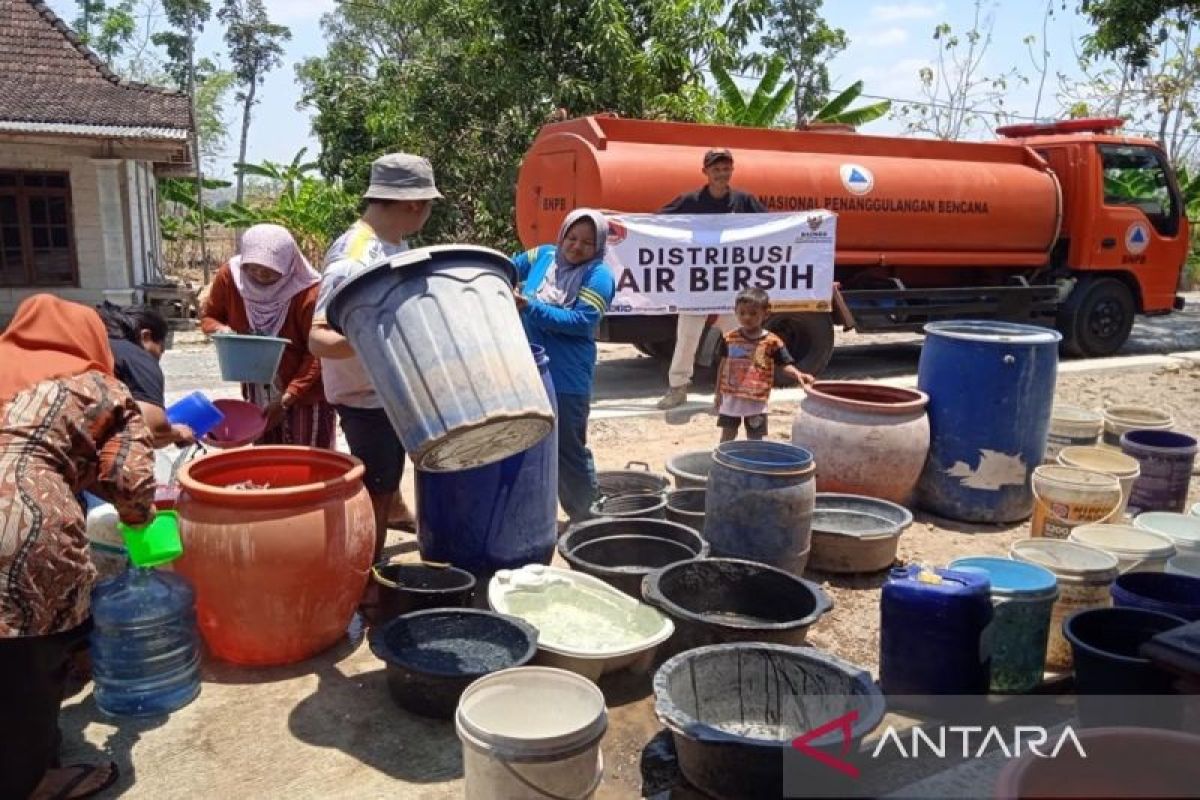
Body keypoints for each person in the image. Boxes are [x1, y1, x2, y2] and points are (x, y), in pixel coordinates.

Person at [0, 295, 156, 800]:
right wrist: (140, 522)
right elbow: (129, 479)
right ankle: (33, 779)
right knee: (28, 661)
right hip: (20, 523)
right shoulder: (98, 386)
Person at [308, 153, 441, 561]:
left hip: (389, 390)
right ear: (414, 204)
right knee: (376, 488)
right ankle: (368, 572)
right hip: (366, 398)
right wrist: (373, 340)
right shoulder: (355, 260)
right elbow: (318, 338)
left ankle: (389, 517)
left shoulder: (394, 242)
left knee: (389, 472)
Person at [512, 209, 616, 524]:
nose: (576, 247)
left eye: (586, 242)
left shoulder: (599, 275)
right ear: (562, 235)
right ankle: (530, 515)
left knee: (567, 450)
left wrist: (530, 307)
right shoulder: (542, 255)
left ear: (597, 245)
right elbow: (505, 267)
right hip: (525, 371)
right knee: (524, 444)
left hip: (566, 378)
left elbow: (582, 322)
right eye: (571, 237)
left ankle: (587, 520)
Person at [201, 223, 335, 448]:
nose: (259, 274)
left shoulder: (308, 292)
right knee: (266, 452)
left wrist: (287, 398)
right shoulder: (231, 278)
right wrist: (223, 332)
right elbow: (209, 317)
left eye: (269, 269)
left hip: (304, 391)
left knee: (306, 455)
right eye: (252, 267)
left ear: (288, 263)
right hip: (256, 384)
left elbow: (317, 354)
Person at [656, 148, 767, 410]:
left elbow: (773, 225)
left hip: (730, 288)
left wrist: (811, 222)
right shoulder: (689, 200)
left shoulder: (745, 201)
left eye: (726, 168)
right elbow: (657, 222)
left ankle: (735, 389)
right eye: (716, 169)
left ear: (732, 170)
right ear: (705, 172)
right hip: (696, 286)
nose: (721, 173)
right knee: (686, 340)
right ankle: (678, 389)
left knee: (738, 340)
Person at [713, 288, 814, 443]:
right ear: (736, 312)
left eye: (753, 313)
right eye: (742, 313)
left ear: (766, 314)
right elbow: (723, 365)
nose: (747, 317)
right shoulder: (729, 338)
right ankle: (724, 464)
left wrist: (799, 375)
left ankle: (753, 465)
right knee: (727, 436)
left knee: (755, 439)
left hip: (756, 401)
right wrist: (718, 392)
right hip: (730, 398)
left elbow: (784, 364)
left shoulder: (772, 341)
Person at [96, 302, 195, 448]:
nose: (159, 356)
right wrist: (179, 433)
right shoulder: (137, 357)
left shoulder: (98, 344)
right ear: (146, 336)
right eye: (161, 348)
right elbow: (152, 431)